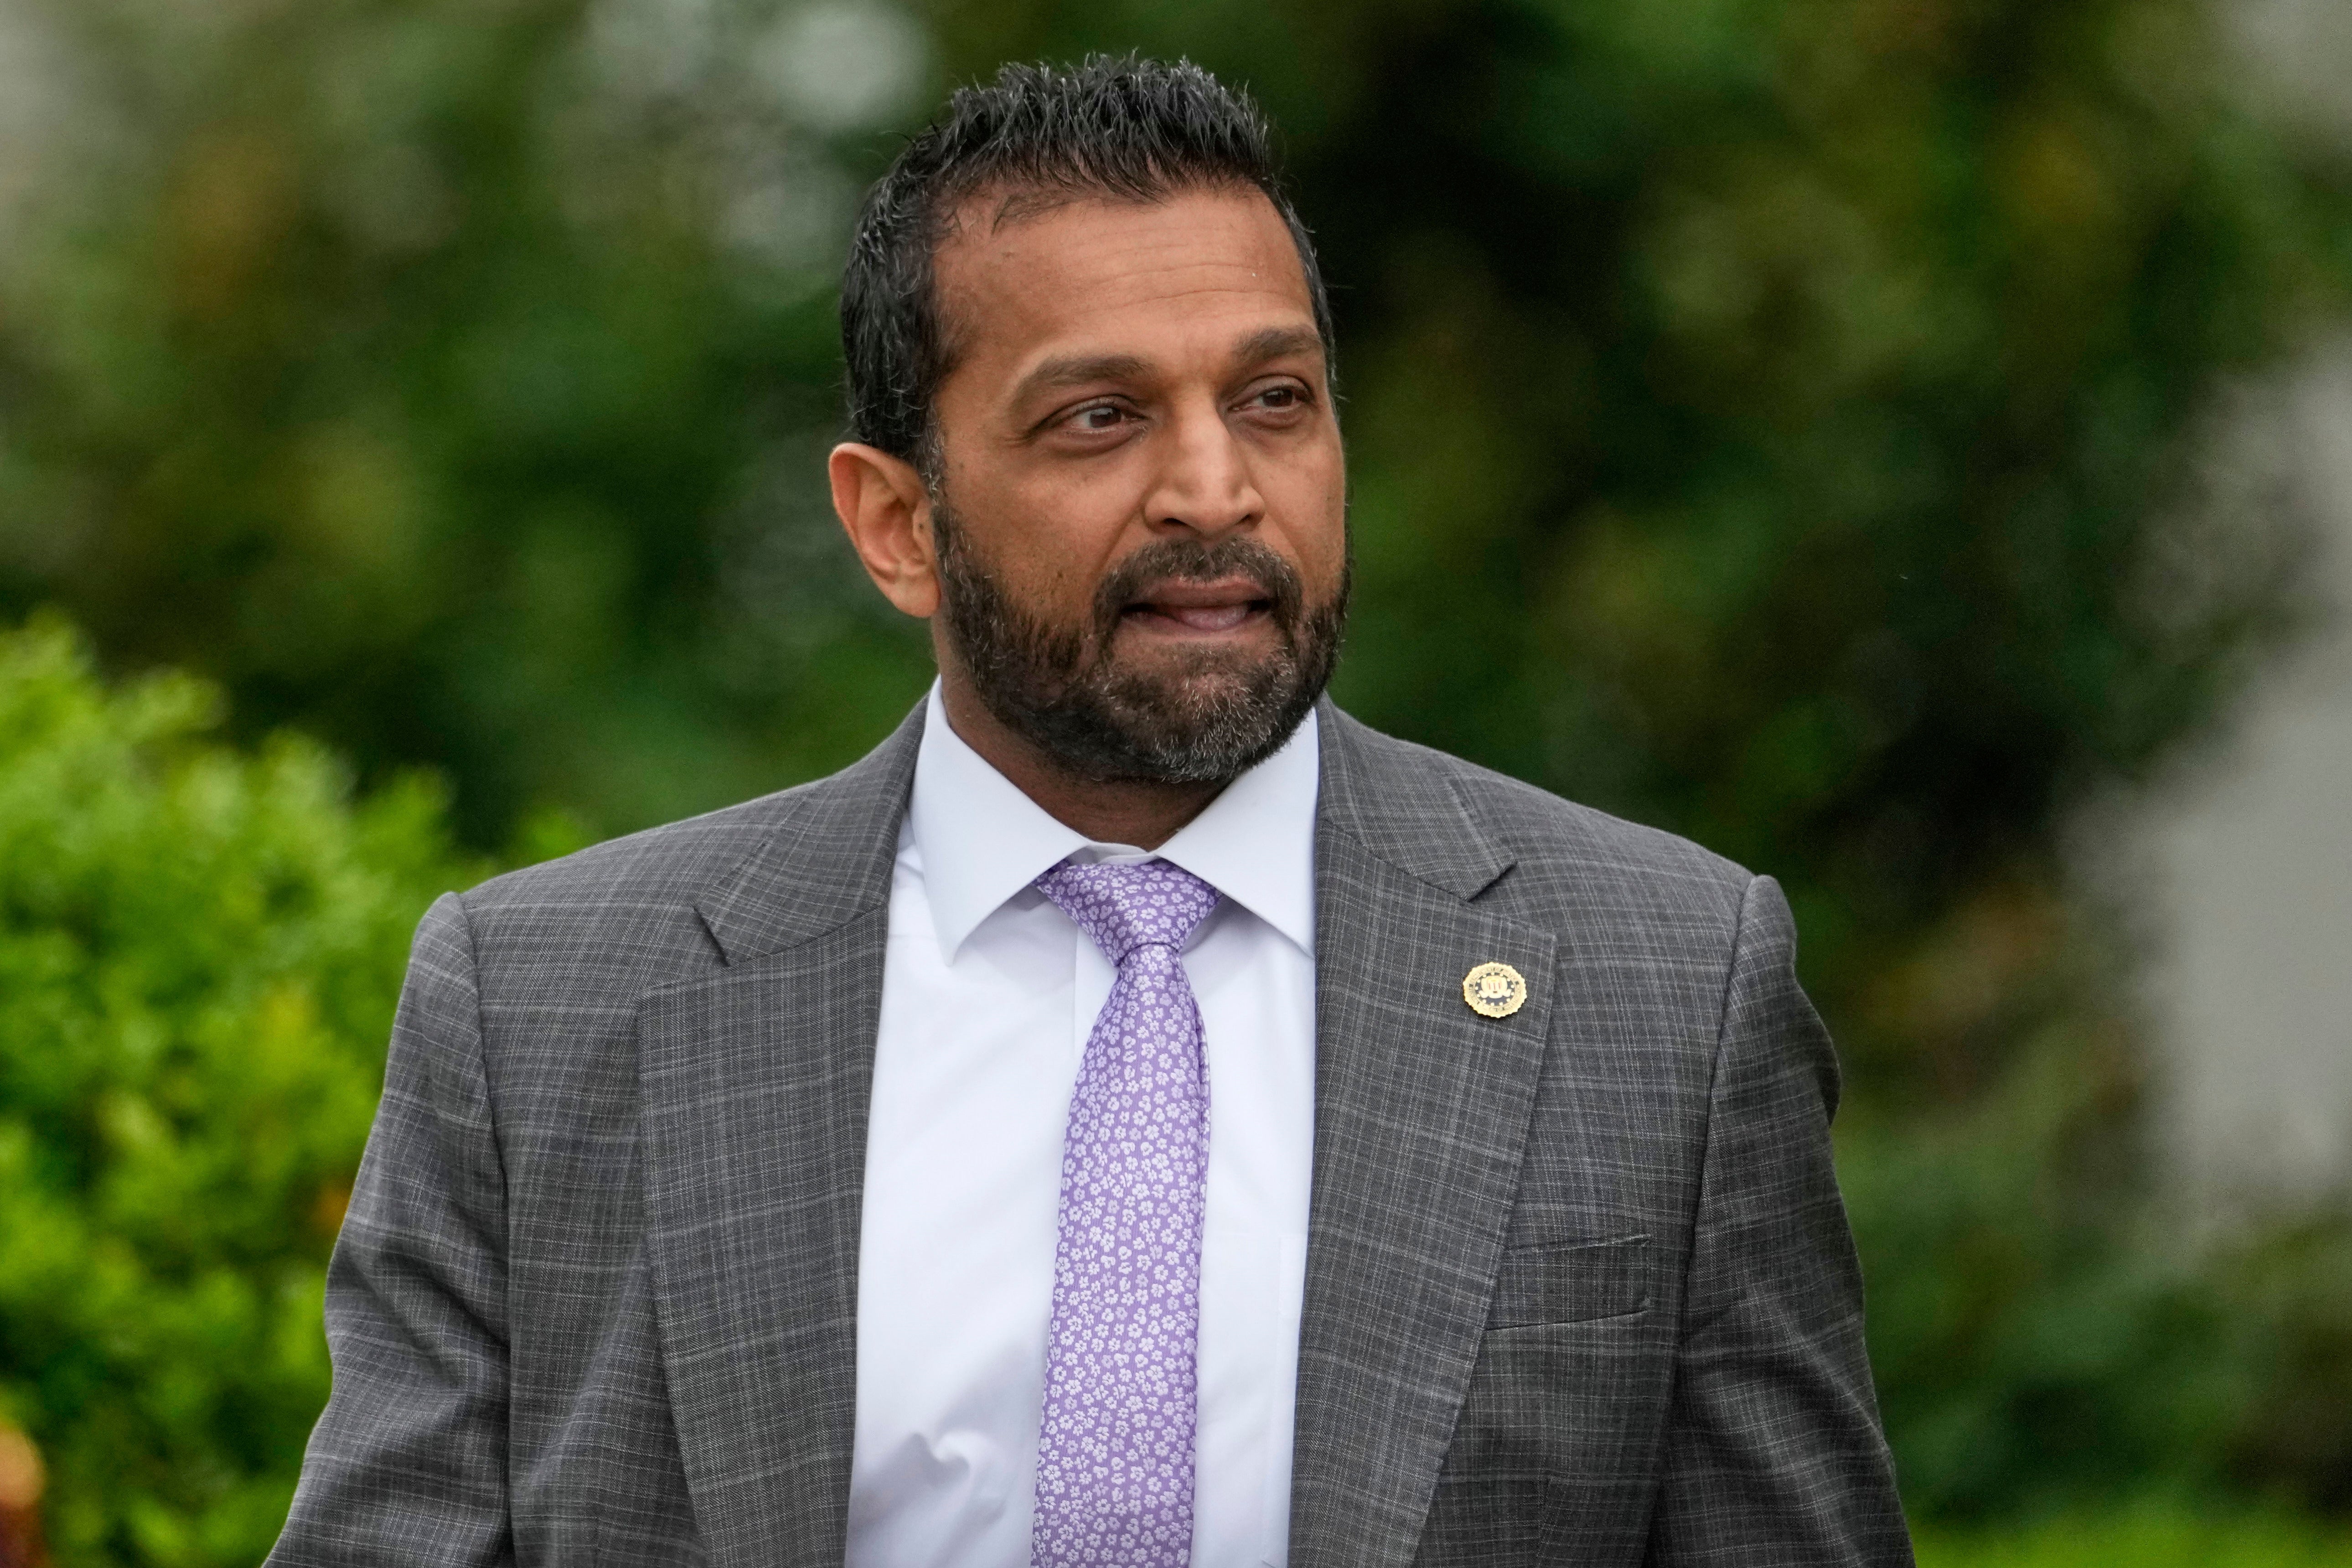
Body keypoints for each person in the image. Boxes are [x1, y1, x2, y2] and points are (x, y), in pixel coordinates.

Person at [269, 56, 1913, 1568]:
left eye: (1275, 400)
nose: (1215, 488)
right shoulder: (548, 1008)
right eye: (1100, 419)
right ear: (898, 524)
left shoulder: (1665, 989)